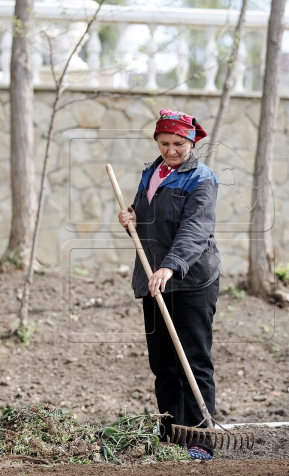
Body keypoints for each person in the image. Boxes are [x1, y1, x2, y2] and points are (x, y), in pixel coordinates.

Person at [118, 109, 221, 461]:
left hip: (191, 280)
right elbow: (146, 214)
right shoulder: (152, 172)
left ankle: (199, 440)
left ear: (191, 142)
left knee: (192, 361)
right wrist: (131, 216)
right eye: (164, 143)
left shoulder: (201, 179)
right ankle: (171, 435)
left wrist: (171, 267)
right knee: (163, 363)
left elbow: (196, 230)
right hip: (155, 279)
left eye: (178, 143)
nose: (171, 150)